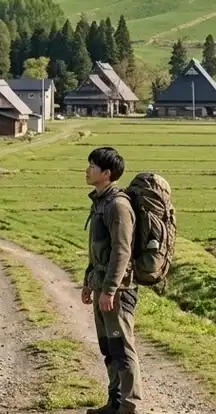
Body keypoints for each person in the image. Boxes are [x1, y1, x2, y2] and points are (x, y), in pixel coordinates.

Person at [81, 146, 140, 414]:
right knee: (108, 347)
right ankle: (114, 403)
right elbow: (97, 249)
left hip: (118, 289)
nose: (87, 169)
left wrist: (111, 290)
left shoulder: (118, 205)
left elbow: (122, 251)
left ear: (107, 173)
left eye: (92, 166)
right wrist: (88, 281)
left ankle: (129, 406)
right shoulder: (100, 202)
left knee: (122, 347)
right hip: (101, 285)